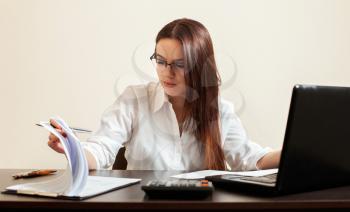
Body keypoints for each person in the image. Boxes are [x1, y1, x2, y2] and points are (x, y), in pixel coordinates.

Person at [48, 18, 281, 171]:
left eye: (179, 64)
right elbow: (100, 150)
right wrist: (72, 147)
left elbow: (252, 160)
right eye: (160, 61)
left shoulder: (220, 111)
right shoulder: (135, 100)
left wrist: (298, 152)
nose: (167, 73)